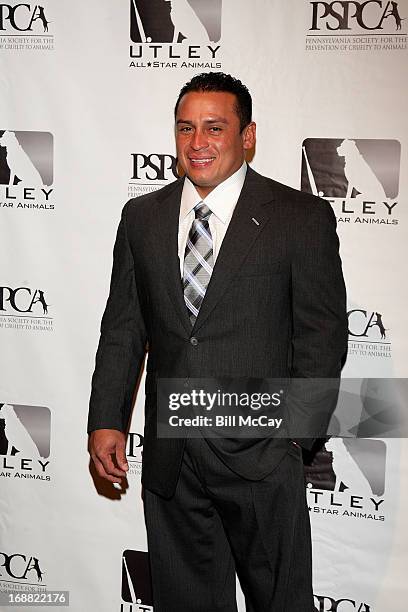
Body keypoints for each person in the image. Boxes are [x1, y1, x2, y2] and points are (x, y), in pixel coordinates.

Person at [88, 72, 348, 611]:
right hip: (172, 459)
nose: (197, 142)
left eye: (214, 127)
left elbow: (322, 336)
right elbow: (123, 328)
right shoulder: (142, 216)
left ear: (247, 136)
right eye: (185, 128)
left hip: (263, 456)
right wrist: (107, 419)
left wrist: (294, 440)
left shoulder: (300, 218)